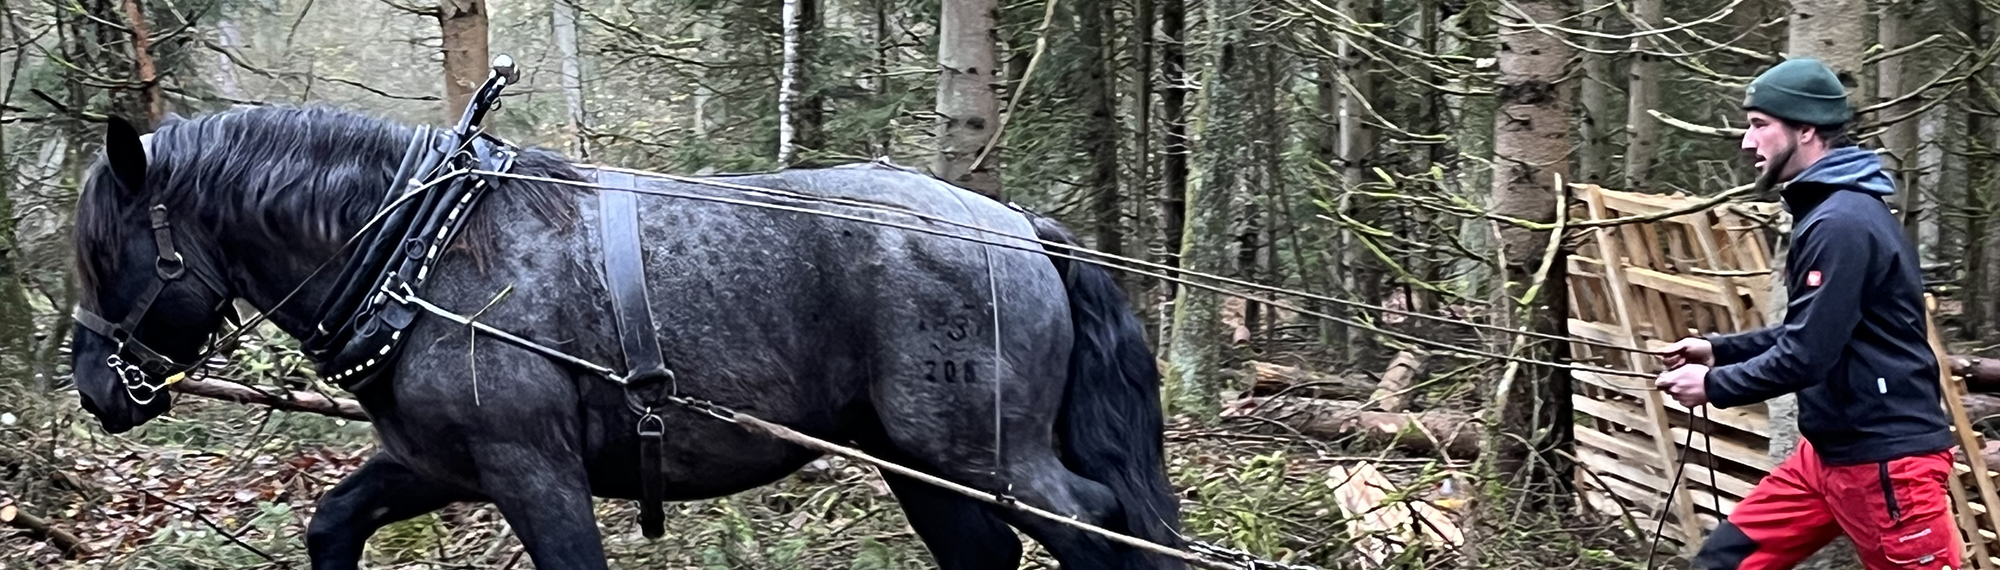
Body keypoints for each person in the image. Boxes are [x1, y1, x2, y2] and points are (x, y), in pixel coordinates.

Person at [1653, 57, 1960, 570]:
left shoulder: (1841, 222)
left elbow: (1806, 356)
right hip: (1825, 459)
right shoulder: (1830, 213)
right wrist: (1717, 349)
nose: (1748, 143)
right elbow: (1815, 329)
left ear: (1807, 131)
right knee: (1723, 562)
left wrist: (1713, 385)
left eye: (1759, 126)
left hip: (1888, 465)